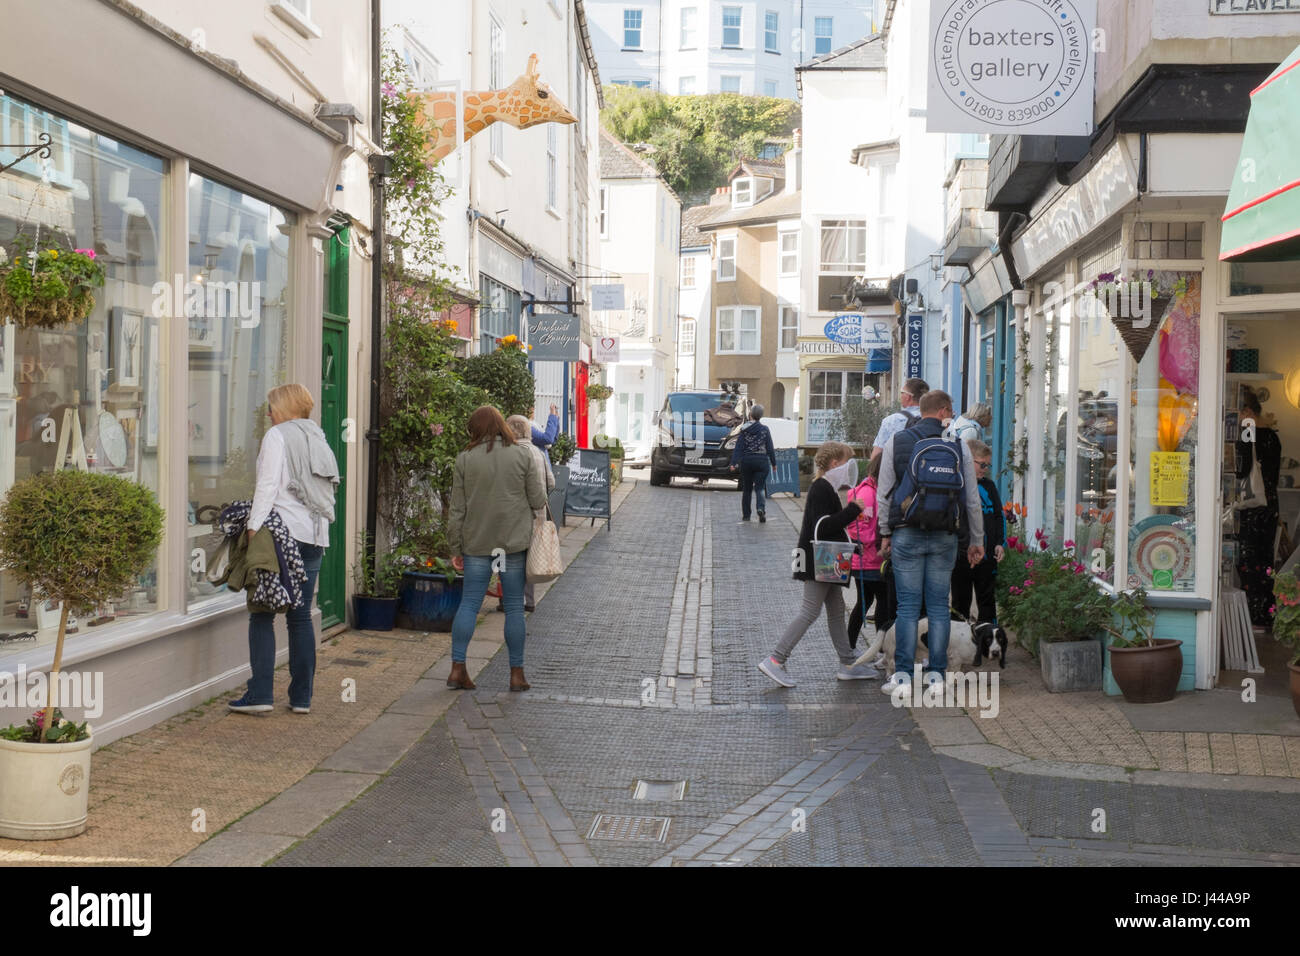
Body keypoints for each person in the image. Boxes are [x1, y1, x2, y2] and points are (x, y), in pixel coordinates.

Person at [229, 384, 340, 715]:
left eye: (271, 407)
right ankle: (301, 698)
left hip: (282, 535)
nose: (268, 414)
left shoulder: (278, 436)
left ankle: (261, 694)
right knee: (300, 615)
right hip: (315, 536)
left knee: (262, 612)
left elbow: (267, 485)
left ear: (283, 408)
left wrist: (252, 527)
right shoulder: (318, 438)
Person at [876, 389, 984, 694]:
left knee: (907, 607)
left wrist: (885, 532)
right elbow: (972, 499)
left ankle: (904, 678)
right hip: (945, 535)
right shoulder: (958, 445)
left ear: (919, 411)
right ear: (944, 411)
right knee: (939, 606)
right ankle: (937, 678)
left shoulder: (896, 441)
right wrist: (977, 539)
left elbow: (885, 494)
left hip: (906, 532)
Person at [757, 440, 879, 687]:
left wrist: (851, 533)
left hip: (824, 558)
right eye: (846, 462)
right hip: (819, 559)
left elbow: (827, 526)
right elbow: (823, 527)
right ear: (835, 463)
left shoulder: (825, 487)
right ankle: (776, 659)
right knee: (810, 611)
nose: (849, 467)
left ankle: (847, 662)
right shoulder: (822, 488)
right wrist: (853, 510)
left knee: (835, 611)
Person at [447, 406, 547, 691]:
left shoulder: (465, 459)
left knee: (469, 604)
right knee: (515, 606)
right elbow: (538, 500)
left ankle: (457, 670)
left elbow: (457, 509)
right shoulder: (523, 454)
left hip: (476, 543)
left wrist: (455, 547)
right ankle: (517, 675)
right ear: (502, 425)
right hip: (512, 544)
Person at [1235, 389, 1281, 627]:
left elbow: (1241, 470)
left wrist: (1242, 433)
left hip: (1253, 506)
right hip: (1269, 503)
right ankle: (1266, 612)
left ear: (1248, 412)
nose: (1238, 419)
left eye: (1240, 413)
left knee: (1248, 559)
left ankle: (1252, 615)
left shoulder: (1249, 431)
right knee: (1265, 559)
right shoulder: (1273, 436)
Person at [951, 439, 1005, 624]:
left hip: (987, 555)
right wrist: (964, 549)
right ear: (968, 460)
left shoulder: (989, 486)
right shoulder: (957, 486)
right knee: (960, 604)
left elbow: (999, 516)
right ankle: (960, 645)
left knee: (987, 602)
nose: (985, 469)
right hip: (963, 557)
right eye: (982, 464)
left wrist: (999, 543)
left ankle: (988, 645)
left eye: (987, 465)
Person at [507, 413, 556, 613]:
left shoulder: (511, 453)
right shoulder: (538, 452)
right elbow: (551, 482)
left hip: (516, 515)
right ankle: (529, 600)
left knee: (512, 558)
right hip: (538, 514)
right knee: (532, 557)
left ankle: (510, 599)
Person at [846, 455, 890, 649]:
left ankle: (852, 645)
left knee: (869, 601)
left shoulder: (873, 490)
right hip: (869, 559)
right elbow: (860, 528)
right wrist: (878, 544)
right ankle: (868, 647)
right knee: (880, 602)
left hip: (869, 559)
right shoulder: (868, 493)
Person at [729, 403, 777, 523]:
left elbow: (738, 447)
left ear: (750, 414)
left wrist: (733, 463)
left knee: (747, 489)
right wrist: (774, 463)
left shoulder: (744, 430)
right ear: (761, 416)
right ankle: (760, 508)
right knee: (760, 488)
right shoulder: (765, 430)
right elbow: (770, 447)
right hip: (761, 462)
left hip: (747, 461)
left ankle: (746, 515)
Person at [870, 377, 928, 462]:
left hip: (898, 472)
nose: (900, 396)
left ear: (908, 397)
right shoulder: (935, 419)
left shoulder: (891, 421)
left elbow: (877, 455)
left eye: (902, 392)